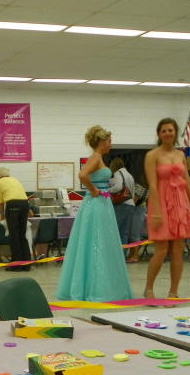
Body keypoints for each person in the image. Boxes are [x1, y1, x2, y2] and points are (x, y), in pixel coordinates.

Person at [56, 126, 133, 301]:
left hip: (101, 203)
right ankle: (96, 287)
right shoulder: (96, 157)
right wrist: (93, 190)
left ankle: (99, 283)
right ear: (101, 142)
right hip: (96, 203)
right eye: (109, 141)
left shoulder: (98, 158)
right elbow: (82, 174)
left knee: (98, 241)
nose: (110, 145)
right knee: (97, 240)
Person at [143, 117, 190, 298]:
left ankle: (173, 291)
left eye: (170, 130)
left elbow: (188, 183)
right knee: (161, 250)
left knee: (178, 251)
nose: (167, 133)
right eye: (163, 131)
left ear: (175, 132)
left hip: (180, 203)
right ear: (159, 134)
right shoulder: (152, 155)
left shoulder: (180, 155)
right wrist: (156, 211)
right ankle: (149, 288)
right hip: (160, 202)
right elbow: (152, 185)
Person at [0, 167, 31, 271]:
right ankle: (27, 264)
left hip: (12, 204)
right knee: (22, 235)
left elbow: (0, 202)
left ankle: (16, 265)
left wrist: (2, 216)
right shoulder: (14, 179)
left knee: (14, 235)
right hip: (25, 204)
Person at [108, 157, 135, 247]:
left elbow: (118, 187)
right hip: (131, 204)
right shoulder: (129, 175)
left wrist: (108, 190)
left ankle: (114, 252)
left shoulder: (118, 173)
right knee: (124, 232)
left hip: (122, 204)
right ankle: (123, 252)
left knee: (115, 229)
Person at [126, 173, 149, 263]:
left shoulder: (140, 186)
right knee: (134, 233)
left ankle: (134, 255)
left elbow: (134, 201)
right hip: (140, 208)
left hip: (137, 209)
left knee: (134, 234)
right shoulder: (147, 186)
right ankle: (132, 255)